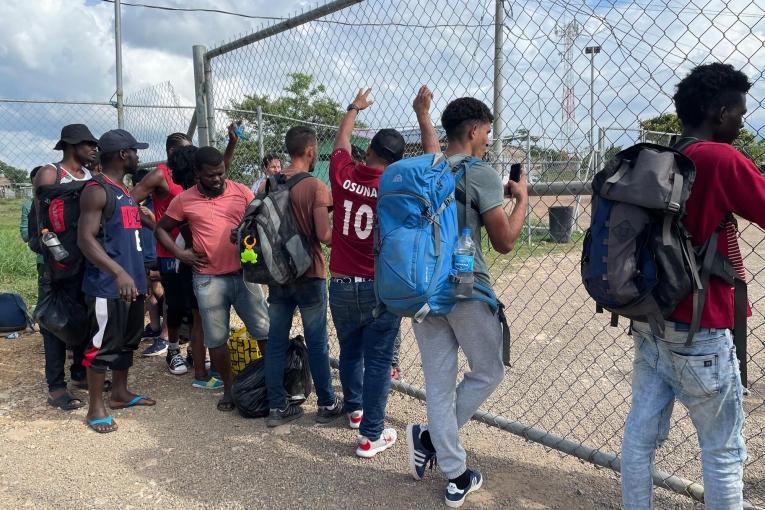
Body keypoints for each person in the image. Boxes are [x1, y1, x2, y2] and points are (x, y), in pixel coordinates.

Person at [620, 63, 764, 510]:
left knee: (640, 440)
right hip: (702, 328)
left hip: (649, 318)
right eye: (739, 113)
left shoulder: (659, 156)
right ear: (720, 112)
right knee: (722, 452)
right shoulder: (721, 159)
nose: (742, 122)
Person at [405, 97, 528, 508]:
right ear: (474, 130)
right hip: (465, 288)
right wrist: (522, 200)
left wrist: (423, 116)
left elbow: (430, 146)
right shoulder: (481, 174)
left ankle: (453, 468)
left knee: (438, 387)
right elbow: (505, 242)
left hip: (422, 290)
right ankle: (433, 442)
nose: (489, 139)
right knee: (489, 370)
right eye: (488, 131)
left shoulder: (430, 167)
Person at [328, 86, 436, 457]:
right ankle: (371, 434)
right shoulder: (398, 186)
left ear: (369, 150)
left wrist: (354, 108)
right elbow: (435, 159)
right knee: (377, 359)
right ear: (396, 162)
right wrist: (423, 115)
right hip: (379, 286)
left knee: (350, 351)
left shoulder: (342, 173)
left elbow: (341, 142)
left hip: (340, 282)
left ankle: (356, 410)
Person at [156, 146, 269, 411]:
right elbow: (162, 229)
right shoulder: (184, 199)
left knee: (264, 331)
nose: (218, 179)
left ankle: (272, 384)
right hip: (207, 279)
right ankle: (228, 389)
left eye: (221, 173)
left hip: (244, 275)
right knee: (216, 339)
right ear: (197, 174)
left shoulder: (241, 191)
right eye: (211, 175)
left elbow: (260, 221)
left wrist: (243, 233)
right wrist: (180, 253)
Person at [263, 126, 342, 428]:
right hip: (309, 274)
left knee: (276, 342)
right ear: (310, 150)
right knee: (317, 341)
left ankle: (276, 406)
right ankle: (326, 403)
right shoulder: (315, 187)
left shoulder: (268, 184)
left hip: (277, 275)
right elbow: (324, 234)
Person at [78, 129, 155, 433]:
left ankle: (120, 394)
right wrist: (118, 272)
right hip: (107, 286)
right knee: (102, 346)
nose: (138, 156)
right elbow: (86, 239)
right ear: (124, 154)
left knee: (127, 343)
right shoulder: (97, 190)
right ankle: (95, 407)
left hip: (133, 284)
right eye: (135, 151)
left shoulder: (124, 192)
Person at [32, 125, 100, 410]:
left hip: (85, 262)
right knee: (55, 323)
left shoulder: (90, 176)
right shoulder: (50, 173)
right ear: (73, 145)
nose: (94, 149)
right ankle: (56, 387)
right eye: (89, 145)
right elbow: (41, 218)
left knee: (84, 319)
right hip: (58, 264)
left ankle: (80, 373)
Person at [131, 133, 192, 371]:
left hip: (194, 248)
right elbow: (128, 203)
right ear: (171, 152)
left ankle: (197, 352)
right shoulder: (159, 174)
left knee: (195, 306)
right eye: (186, 150)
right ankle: (172, 349)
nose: (191, 154)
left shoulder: (192, 172)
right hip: (169, 251)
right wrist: (155, 226)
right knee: (174, 304)